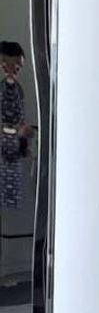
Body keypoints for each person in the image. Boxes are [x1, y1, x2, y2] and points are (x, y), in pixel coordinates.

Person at [1, 40, 33, 212]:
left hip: (13, 160)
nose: (15, 70)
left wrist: (24, 142)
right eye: (10, 65)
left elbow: (20, 118)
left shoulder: (18, 90)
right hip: (4, 157)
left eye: (18, 67)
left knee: (12, 206)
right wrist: (16, 131)